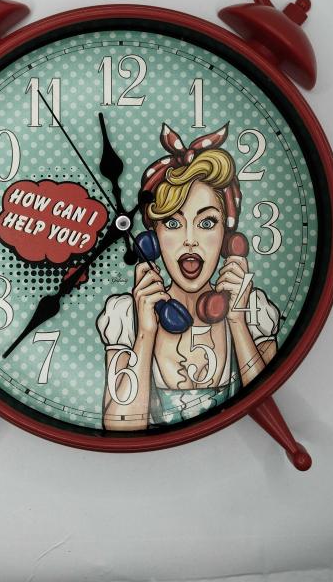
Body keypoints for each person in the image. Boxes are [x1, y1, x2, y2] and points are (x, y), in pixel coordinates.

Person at [96, 122, 281, 430]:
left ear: (226, 237)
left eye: (207, 223)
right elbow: (120, 427)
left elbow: (265, 395)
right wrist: (146, 333)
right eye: (172, 223)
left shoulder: (253, 309)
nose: (190, 240)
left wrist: (237, 320)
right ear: (152, 239)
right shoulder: (127, 314)